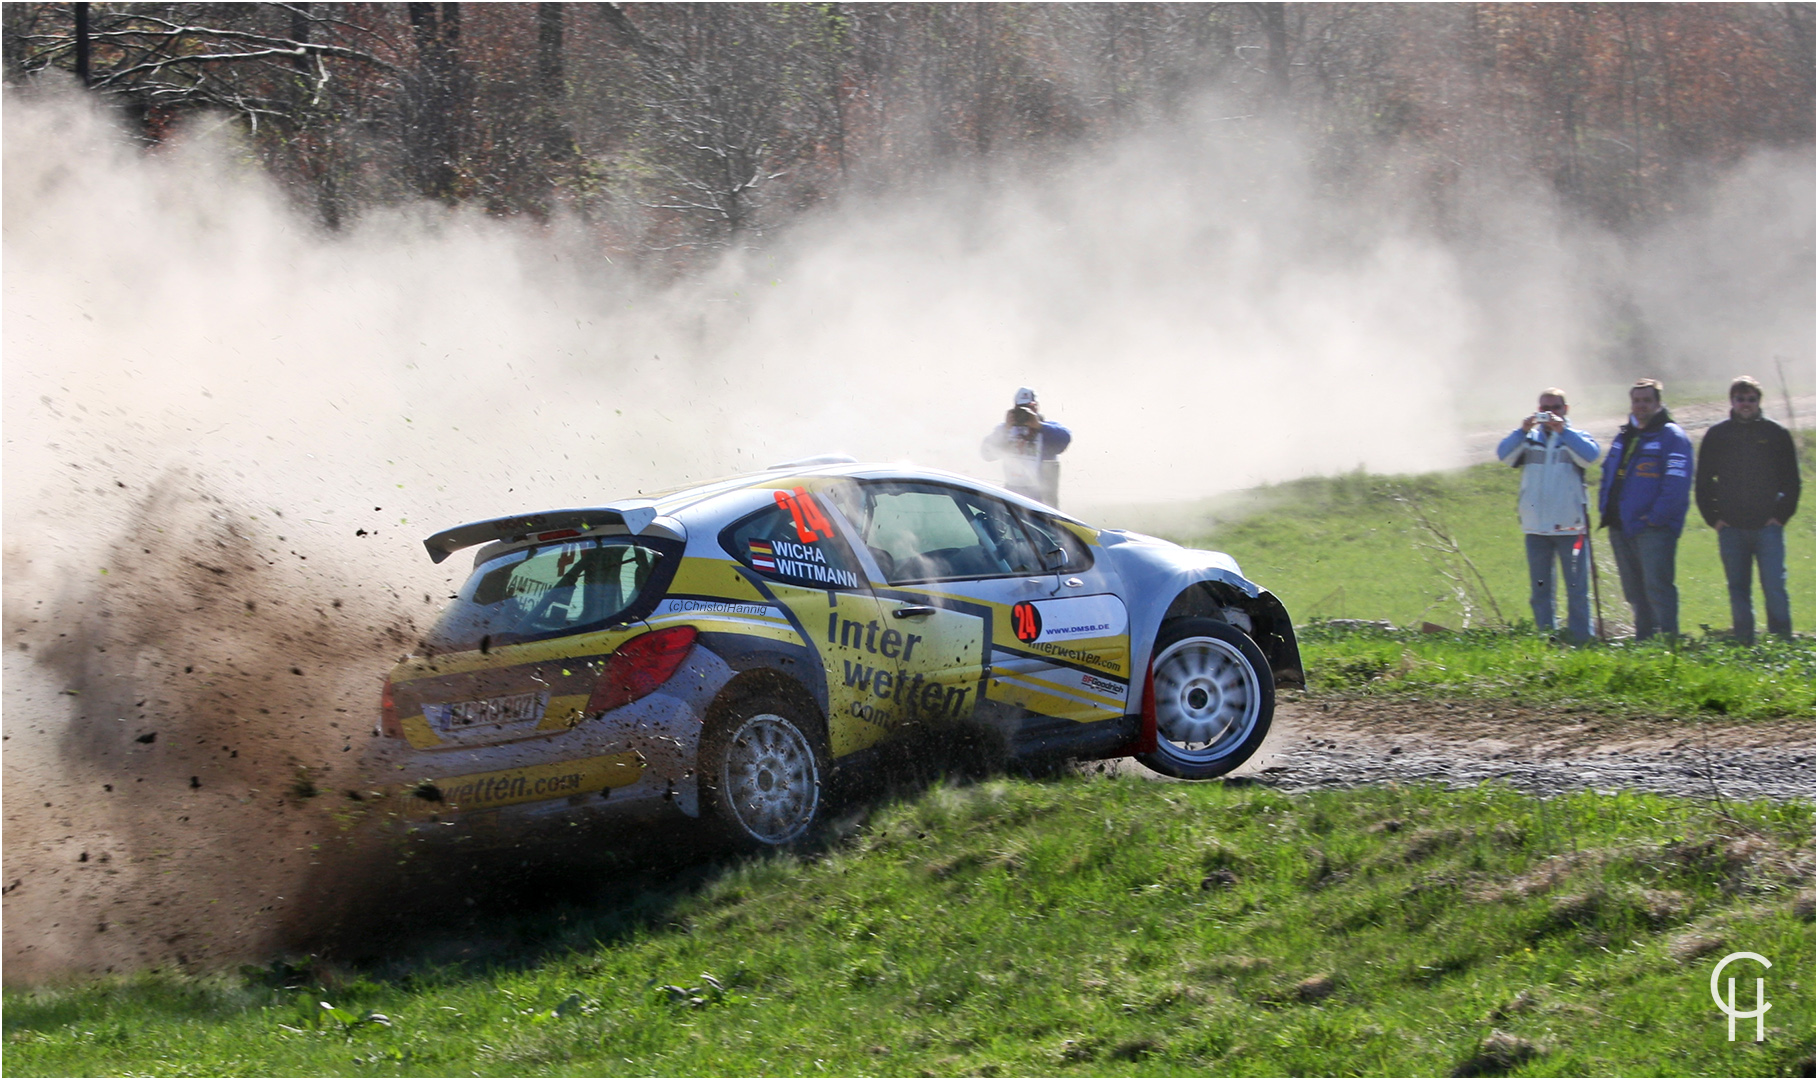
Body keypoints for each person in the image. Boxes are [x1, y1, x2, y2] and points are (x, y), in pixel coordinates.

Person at [1694, 375, 1801, 643]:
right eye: (1740, 399)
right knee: (1738, 588)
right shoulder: (1718, 435)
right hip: (1731, 528)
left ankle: (1782, 643)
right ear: (1732, 401)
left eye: (1751, 399)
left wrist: (1780, 516)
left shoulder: (1776, 434)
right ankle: (1744, 643)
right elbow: (1703, 482)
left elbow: (1792, 481)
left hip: (1768, 528)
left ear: (1759, 402)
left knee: (1775, 587)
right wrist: (1715, 519)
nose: (1745, 404)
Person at [1497, 388, 1600, 642]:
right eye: (1544, 409)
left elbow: (1590, 456)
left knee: (1577, 589)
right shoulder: (1529, 438)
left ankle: (1581, 640)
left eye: (1555, 408)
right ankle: (1547, 638)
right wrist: (1521, 430)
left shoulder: (1576, 437)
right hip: (1535, 527)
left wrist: (1563, 430)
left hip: (1570, 526)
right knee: (1540, 590)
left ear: (1565, 410)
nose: (1549, 413)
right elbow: (1503, 454)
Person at [1597, 378, 1694, 641]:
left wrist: (1655, 517)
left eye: (1647, 401)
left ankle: (1668, 643)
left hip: (1653, 528)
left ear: (1658, 403)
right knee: (1633, 591)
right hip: (1620, 526)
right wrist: (1605, 509)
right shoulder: (1624, 435)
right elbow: (1607, 474)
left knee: (1657, 587)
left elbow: (1676, 483)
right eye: (1636, 401)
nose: (1640, 406)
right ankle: (1644, 642)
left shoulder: (1671, 436)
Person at [981, 387, 1071, 506]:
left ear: (1036, 407)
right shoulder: (1006, 429)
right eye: (1021, 408)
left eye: (1030, 407)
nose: (1026, 412)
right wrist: (1006, 429)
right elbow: (987, 454)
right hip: (1013, 490)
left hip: (1041, 495)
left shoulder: (1046, 429)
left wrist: (1038, 426)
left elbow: (1064, 439)